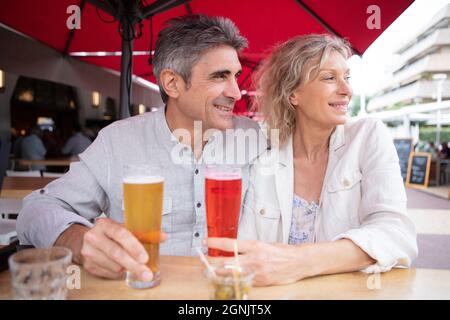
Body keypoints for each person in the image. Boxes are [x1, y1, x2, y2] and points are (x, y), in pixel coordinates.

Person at [17, 15, 266, 282]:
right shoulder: (119, 141)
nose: (236, 93)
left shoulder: (253, 137)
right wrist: (78, 240)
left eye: (236, 76)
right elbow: (35, 209)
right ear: (172, 83)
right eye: (220, 76)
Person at [207, 35, 418, 286]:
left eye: (346, 77)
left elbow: (397, 234)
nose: (347, 90)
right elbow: (247, 247)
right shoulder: (262, 154)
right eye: (330, 78)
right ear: (293, 93)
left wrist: (299, 262)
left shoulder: (367, 136)